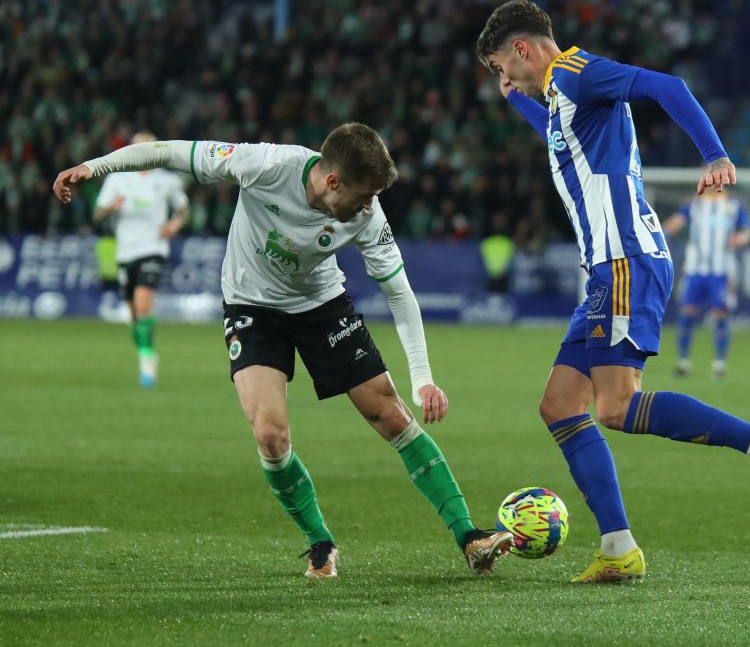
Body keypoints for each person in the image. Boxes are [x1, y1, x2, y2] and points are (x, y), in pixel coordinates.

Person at [53, 123, 512, 578]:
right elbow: (173, 152)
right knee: (271, 436)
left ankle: (469, 536)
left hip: (322, 304)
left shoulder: (368, 217)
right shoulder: (265, 165)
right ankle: (320, 544)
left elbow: (400, 293)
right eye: (364, 194)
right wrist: (95, 168)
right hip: (252, 306)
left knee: (390, 415)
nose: (371, 206)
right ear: (332, 181)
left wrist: (423, 376)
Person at [476, 0, 750, 584]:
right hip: (609, 269)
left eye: (503, 68)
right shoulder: (557, 99)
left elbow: (668, 86)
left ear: (522, 48)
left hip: (625, 260)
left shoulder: (580, 74)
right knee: (559, 406)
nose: (505, 79)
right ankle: (618, 547)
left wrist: (715, 155)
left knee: (616, 407)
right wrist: (522, 103)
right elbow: (558, 136)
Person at [93, 132, 190, 387]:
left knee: (143, 303)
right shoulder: (118, 179)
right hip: (125, 251)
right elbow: (97, 214)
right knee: (134, 314)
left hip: (154, 248)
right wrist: (110, 208)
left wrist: (174, 225)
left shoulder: (167, 180)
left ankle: (147, 359)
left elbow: (183, 208)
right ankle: (146, 352)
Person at [663, 191, 750, 379]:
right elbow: (673, 224)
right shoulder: (694, 204)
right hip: (695, 269)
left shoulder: (733, 204)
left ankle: (719, 363)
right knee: (687, 311)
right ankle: (683, 361)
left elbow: (747, 231)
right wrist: (662, 235)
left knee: (721, 313)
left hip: (721, 270)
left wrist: (741, 238)